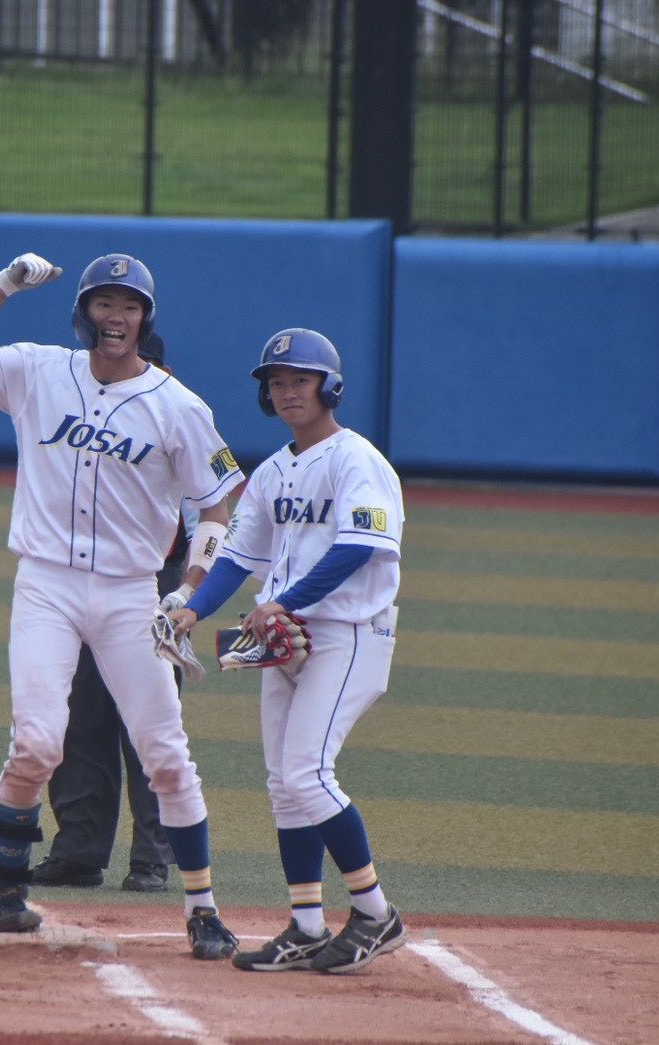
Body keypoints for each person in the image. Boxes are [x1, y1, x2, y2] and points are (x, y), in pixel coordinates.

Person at [0, 251, 242, 959]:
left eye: (129, 306)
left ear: (145, 318)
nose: (115, 317)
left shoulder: (179, 405)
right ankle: (4, 893)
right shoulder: (37, 370)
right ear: (84, 312)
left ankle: (203, 910)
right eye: (104, 303)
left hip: (131, 594)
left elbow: (218, 505)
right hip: (46, 584)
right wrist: (1, 288)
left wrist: (189, 587)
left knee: (167, 757)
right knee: (37, 744)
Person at [165, 327, 407, 975]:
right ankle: (305, 924)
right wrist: (191, 610)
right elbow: (237, 557)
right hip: (284, 641)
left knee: (307, 773)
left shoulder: (357, 460)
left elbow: (360, 547)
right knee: (283, 784)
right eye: (276, 382)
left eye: (300, 380)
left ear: (330, 387)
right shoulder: (273, 471)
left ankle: (376, 913)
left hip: (348, 635)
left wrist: (286, 600)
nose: (287, 391)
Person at [32, 331, 179, 894]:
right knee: (79, 714)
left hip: (152, 583)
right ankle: (79, 851)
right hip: (79, 580)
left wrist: (185, 597)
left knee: (149, 721)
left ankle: (152, 858)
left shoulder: (176, 419)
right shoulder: (87, 421)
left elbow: (207, 519)